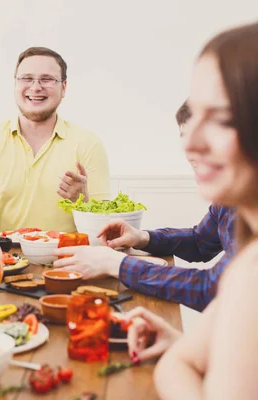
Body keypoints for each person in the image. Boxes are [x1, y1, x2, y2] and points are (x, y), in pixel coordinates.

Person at [127, 22, 258, 398]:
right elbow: (201, 242)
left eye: (222, 118)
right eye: (194, 115)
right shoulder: (247, 259)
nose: (192, 146)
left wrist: (182, 364)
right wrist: (193, 351)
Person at [52, 102, 235, 312]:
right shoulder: (230, 199)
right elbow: (199, 243)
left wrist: (117, 264)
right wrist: (142, 238)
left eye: (204, 138)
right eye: (185, 138)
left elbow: (211, 290)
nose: (190, 152)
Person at [0, 47, 111, 233]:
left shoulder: (88, 144)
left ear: (64, 87)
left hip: (66, 259)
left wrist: (82, 202)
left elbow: (104, 231)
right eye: (27, 78)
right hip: (1, 259)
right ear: (15, 85)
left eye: (47, 79)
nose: (35, 87)